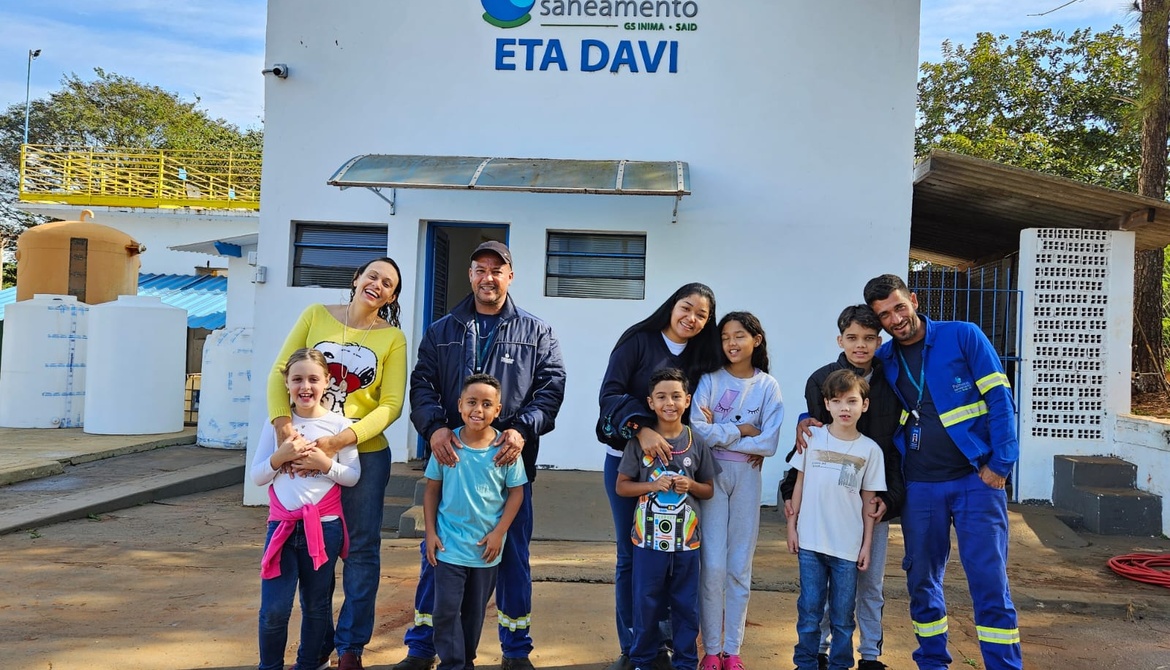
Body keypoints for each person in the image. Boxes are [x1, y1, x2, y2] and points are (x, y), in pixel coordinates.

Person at [395, 241, 566, 670]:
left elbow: (551, 387)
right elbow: (422, 386)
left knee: (512, 562)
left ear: (511, 276)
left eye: (497, 270)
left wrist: (521, 429)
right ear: (470, 275)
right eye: (480, 269)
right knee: (437, 560)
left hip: (508, 470)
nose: (488, 277)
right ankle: (421, 649)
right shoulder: (442, 330)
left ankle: (515, 651)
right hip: (453, 471)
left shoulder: (537, 332)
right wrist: (434, 428)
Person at [863, 274, 1022, 670]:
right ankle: (932, 662)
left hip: (976, 481)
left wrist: (1001, 464)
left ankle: (1003, 665)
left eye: (899, 307)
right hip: (920, 486)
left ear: (913, 300)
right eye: (884, 315)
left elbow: (1000, 399)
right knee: (922, 582)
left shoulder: (963, 335)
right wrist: (805, 416)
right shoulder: (885, 359)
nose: (896, 319)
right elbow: (844, 384)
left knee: (989, 582)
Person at [267, 257, 408, 670]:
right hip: (304, 449)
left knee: (361, 550)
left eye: (388, 284)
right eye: (372, 276)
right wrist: (283, 429)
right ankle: (317, 645)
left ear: (392, 296)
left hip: (362, 453)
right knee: (317, 549)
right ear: (356, 278)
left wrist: (337, 440)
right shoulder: (315, 315)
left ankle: (350, 648)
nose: (377, 285)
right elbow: (281, 371)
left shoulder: (392, 338)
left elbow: (391, 404)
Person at [597, 283, 722, 670]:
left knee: (672, 560)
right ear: (672, 306)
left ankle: (665, 644)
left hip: (681, 465)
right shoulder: (638, 340)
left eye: (702, 315)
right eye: (687, 308)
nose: (692, 318)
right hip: (630, 461)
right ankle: (634, 646)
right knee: (631, 557)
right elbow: (610, 393)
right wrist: (640, 427)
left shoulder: (703, 354)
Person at [780, 305, 904, 670]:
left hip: (869, 499)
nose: (861, 346)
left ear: (879, 342)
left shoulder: (892, 381)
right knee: (815, 596)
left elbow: (892, 448)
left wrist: (891, 497)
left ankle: (868, 656)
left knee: (868, 586)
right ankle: (816, 653)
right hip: (823, 507)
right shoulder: (821, 380)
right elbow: (813, 438)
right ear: (840, 340)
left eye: (868, 339)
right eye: (852, 338)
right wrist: (792, 502)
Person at [253, 348, 361, 670]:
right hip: (282, 529)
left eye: (314, 379)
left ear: (327, 382)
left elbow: (352, 476)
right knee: (274, 609)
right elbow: (258, 475)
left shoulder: (339, 425)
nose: (305, 387)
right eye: (297, 379)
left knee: (316, 606)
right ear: (286, 383)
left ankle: (310, 663)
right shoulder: (276, 425)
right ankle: (269, 665)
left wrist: (324, 463)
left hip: (323, 529)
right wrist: (281, 456)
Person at [689, 312, 784, 670]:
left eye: (740, 335)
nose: (732, 343)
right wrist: (743, 431)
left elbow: (770, 442)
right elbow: (698, 431)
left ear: (756, 340)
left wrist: (725, 432)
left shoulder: (768, 386)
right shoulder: (710, 381)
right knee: (712, 564)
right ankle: (711, 649)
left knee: (738, 566)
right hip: (711, 475)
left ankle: (733, 650)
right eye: (726, 336)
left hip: (746, 477)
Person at [423, 374, 527, 670]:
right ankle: (454, 664)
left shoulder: (505, 449)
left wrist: (499, 533)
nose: (477, 409)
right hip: (448, 545)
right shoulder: (447, 445)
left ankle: (464, 661)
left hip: (485, 549)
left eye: (486, 404)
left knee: (473, 614)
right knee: (444, 611)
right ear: (459, 405)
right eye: (471, 402)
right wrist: (430, 533)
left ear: (498, 409)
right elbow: (432, 490)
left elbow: (516, 493)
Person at [615, 368, 717, 670]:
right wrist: (650, 485)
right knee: (646, 602)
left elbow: (708, 489)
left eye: (676, 396)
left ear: (687, 400)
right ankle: (643, 660)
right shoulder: (639, 443)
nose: (669, 403)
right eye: (661, 397)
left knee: (685, 604)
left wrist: (692, 486)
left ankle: (686, 662)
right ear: (650, 402)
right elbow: (622, 486)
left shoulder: (696, 442)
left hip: (686, 543)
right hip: (647, 542)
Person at [787, 369, 886, 670]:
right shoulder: (812, 438)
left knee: (843, 617)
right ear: (826, 404)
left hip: (847, 548)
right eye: (838, 401)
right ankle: (805, 663)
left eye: (852, 401)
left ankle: (839, 665)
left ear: (864, 405)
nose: (845, 408)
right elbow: (799, 484)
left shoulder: (870, 450)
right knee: (809, 611)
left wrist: (867, 545)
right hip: (810, 543)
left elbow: (869, 502)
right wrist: (792, 527)